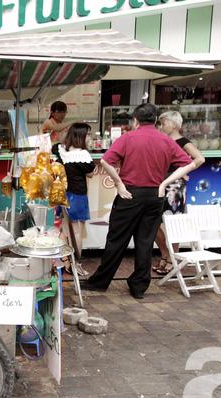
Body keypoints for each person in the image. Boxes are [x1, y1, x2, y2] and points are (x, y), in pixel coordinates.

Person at [82, 103, 196, 299]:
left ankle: (100, 282)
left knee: (117, 240)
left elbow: (105, 160)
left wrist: (118, 183)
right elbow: (189, 163)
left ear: (135, 120)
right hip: (154, 196)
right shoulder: (166, 140)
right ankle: (139, 287)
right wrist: (164, 183)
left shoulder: (128, 138)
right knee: (145, 241)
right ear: (155, 120)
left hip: (130, 195)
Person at [152, 111, 205, 274]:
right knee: (154, 223)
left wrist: (183, 172)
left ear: (174, 124)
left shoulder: (183, 142)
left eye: (163, 123)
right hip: (158, 184)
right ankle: (165, 255)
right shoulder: (161, 139)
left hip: (175, 187)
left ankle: (172, 259)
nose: (161, 126)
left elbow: (199, 158)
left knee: (173, 224)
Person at [52, 123, 96, 276]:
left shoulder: (59, 149)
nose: (89, 137)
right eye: (88, 135)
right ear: (81, 136)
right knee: (77, 231)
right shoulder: (82, 154)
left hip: (63, 195)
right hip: (77, 196)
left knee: (65, 229)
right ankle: (76, 263)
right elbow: (91, 172)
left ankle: (65, 260)